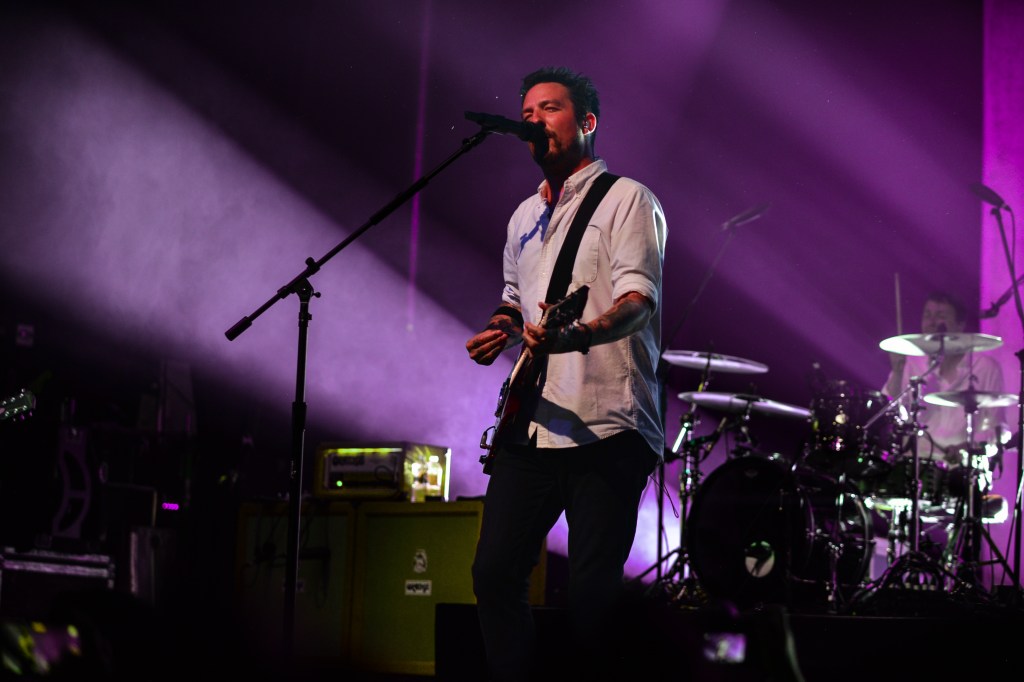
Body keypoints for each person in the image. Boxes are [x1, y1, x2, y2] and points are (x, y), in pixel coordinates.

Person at [466, 66, 666, 681]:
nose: (534, 121)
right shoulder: (523, 215)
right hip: (533, 423)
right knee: (494, 573)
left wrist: (576, 335)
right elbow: (513, 298)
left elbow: (639, 301)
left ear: (587, 122)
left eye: (549, 109)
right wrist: (499, 328)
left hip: (607, 423)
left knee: (591, 596)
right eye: (527, 113)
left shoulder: (628, 199)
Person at [880, 290, 1010, 568]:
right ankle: (897, 567)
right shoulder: (913, 362)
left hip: (960, 469)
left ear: (960, 325)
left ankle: (956, 568)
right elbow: (894, 414)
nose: (932, 322)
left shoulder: (984, 367)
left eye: (941, 316)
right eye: (927, 315)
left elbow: (997, 428)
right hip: (916, 464)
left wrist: (969, 449)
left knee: (965, 507)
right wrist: (897, 371)